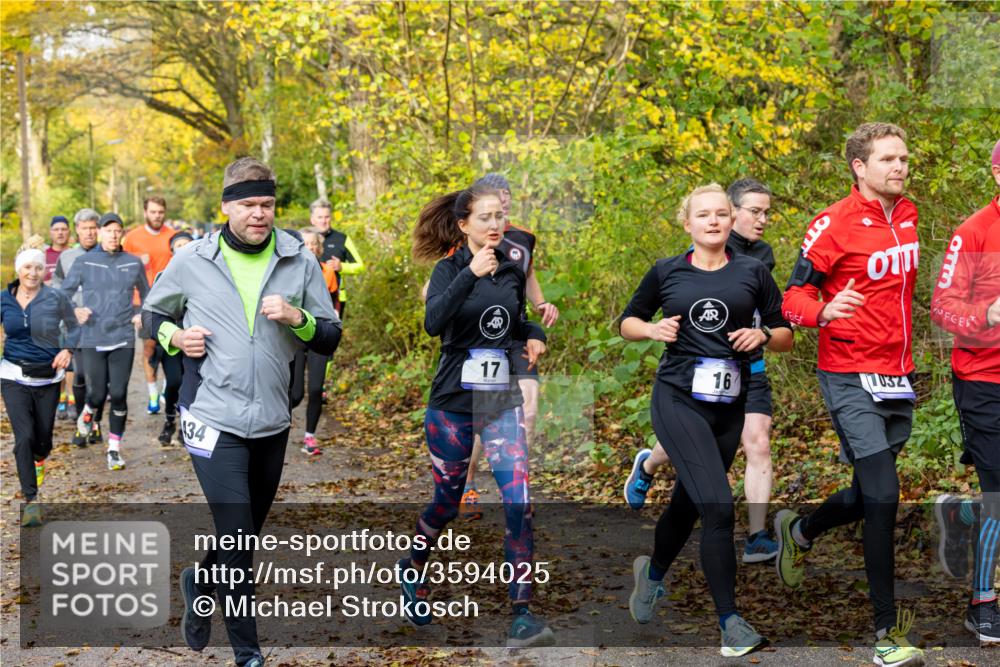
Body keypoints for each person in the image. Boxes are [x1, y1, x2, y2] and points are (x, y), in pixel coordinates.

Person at [143, 157, 340, 667]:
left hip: (272, 419)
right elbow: (153, 314)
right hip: (210, 416)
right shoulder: (193, 260)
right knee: (237, 537)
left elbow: (330, 335)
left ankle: (200, 581)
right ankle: (248, 655)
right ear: (226, 207)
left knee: (244, 531)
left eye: (268, 204)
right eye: (249, 204)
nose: (259, 214)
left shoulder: (299, 261)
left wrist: (298, 318)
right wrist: (174, 337)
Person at [621, 183, 792, 657]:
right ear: (688, 223)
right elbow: (627, 321)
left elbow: (785, 333)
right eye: (704, 215)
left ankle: (651, 576)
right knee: (718, 506)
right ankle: (730, 623)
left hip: (728, 405)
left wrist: (762, 336)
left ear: (731, 220)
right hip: (677, 398)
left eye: (721, 214)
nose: (714, 221)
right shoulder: (667, 271)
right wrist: (653, 329)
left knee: (689, 504)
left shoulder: (753, 271)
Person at [777, 122, 924, 666]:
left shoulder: (907, 214)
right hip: (846, 374)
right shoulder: (831, 224)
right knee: (885, 494)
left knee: (867, 493)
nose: (900, 167)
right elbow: (791, 299)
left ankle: (802, 529)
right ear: (859, 167)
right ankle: (886, 634)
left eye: (904, 159)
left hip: (897, 375)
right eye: (888, 159)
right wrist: (821, 312)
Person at [404, 183, 553, 647]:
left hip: (498, 400)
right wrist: (469, 273)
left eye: (499, 217)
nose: (495, 225)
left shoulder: (511, 270)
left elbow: (512, 317)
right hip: (451, 402)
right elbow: (435, 323)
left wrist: (531, 333)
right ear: (464, 224)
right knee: (447, 501)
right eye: (484, 218)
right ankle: (413, 562)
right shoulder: (448, 270)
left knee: (519, 501)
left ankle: (522, 613)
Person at [458, 173, 559, 521]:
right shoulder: (468, 234)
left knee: (529, 410)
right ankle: (467, 484)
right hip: (480, 338)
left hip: (516, 333)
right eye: (494, 195)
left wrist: (542, 304)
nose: (502, 201)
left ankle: (514, 486)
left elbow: (529, 276)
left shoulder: (524, 237)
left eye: (506, 194)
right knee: (479, 417)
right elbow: (444, 282)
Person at [931, 139, 1000, 642]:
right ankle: (983, 603)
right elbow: (942, 308)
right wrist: (986, 315)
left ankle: (959, 513)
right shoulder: (973, 232)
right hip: (983, 382)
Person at [62, 212, 149, 470]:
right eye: (108, 230)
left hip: (123, 336)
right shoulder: (84, 262)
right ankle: (89, 410)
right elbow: (63, 295)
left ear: (122, 233)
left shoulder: (132, 263)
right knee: (97, 394)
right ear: (100, 232)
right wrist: (74, 311)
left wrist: (140, 314)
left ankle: (113, 450)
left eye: (117, 230)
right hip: (92, 336)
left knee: (120, 394)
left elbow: (147, 294)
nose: (113, 235)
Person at [1, 245, 79, 526]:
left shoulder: (55, 297)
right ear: (18, 270)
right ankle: (31, 500)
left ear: (43, 271)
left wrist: (68, 349)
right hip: (12, 375)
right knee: (23, 437)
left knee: (42, 441)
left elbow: (75, 327)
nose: (32, 273)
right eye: (27, 268)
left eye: (37, 267)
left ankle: (39, 459)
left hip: (48, 377)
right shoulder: (4, 299)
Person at [52, 208, 101, 443]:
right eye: (85, 228)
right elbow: (58, 290)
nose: (90, 232)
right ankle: (83, 422)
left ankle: (96, 423)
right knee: (80, 376)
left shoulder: (110, 254)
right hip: (76, 328)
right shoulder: (67, 257)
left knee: (100, 379)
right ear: (77, 230)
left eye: (93, 227)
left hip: (104, 327)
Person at [122, 196, 174, 415]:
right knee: (150, 348)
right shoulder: (132, 238)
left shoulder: (172, 236)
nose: (157, 216)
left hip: (170, 301)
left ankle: (167, 386)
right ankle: (152, 393)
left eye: (160, 212)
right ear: (145, 212)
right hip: (141, 301)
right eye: (153, 212)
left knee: (171, 347)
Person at [287, 227, 337, 456]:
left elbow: (334, 301)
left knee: (316, 389)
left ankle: (309, 437)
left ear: (319, 248)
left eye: (313, 244)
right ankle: (277, 427)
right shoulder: (291, 270)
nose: (310, 248)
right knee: (295, 393)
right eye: (305, 244)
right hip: (296, 335)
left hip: (319, 332)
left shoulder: (327, 271)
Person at [154, 230, 194, 447]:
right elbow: (154, 310)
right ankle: (169, 419)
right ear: (172, 250)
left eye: (186, 244)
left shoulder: (202, 275)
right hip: (171, 338)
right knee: (175, 381)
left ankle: (185, 426)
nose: (182, 248)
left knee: (191, 383)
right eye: (178, 245)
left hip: (196, 339)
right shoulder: (163, 275)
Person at [311, 198, 365, 317]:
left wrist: (341, 267)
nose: (324, 221)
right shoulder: (304, 239)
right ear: (312, 219)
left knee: (333, 335)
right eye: (320, 217)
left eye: (327, 217)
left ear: (331, 218)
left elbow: (360, 266)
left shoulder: (342, 239)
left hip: (336, 298)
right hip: (309, 296)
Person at [44, 215, 72, 285]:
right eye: (56, 229)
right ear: (50, 233)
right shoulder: (43, 256)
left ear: (69, 232)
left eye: (63, 229)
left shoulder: (76, 255)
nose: (60, 233)